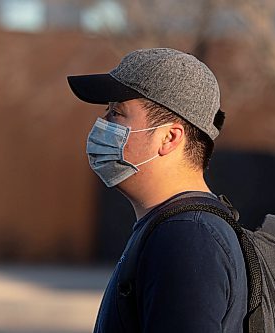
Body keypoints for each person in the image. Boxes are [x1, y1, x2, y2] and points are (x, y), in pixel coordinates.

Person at [67, 48, 247, 332]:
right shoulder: (175, 228)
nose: (102, 126)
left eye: (116, 113)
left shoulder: (187, 238)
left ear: (169, 137)